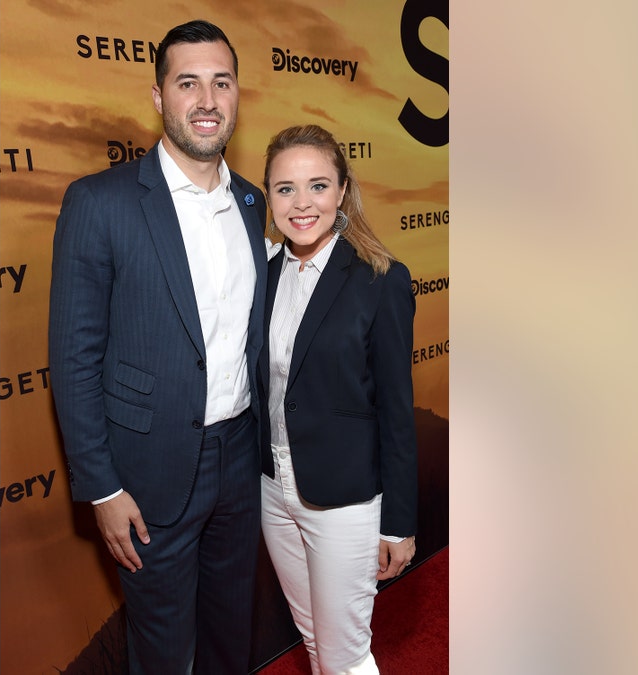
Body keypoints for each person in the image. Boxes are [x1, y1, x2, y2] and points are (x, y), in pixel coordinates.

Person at [48, 19, 269, 675]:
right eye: (188, 83)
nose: (207, 100)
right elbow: (74, 357)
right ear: (158, 96)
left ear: (237, 95)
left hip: (239, 460)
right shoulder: (100, 203)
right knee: (165, 654)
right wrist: (102, 486)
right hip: (148, 473)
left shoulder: (255, 202)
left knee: (234, 637)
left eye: (221, 82)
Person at [258, 124, 419, 675]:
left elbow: (398, 412)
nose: (302, 204)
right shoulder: (265, 274)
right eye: (285, 189)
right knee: (312, 640)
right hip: (271, 488)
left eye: (318, 186)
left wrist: (398, 522)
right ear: (269, 196)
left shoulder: (381, 280)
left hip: (345, 501)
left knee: (346, 655)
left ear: (343, 190)